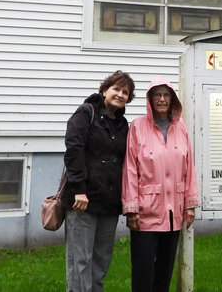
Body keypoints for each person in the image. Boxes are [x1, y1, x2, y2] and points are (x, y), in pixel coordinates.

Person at [122, 76, 198, 292]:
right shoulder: (137, 127)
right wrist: (131, 208)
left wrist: (190, 204)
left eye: (166, 95)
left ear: (172, 99)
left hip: (174, 211)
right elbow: (130, 168)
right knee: (143, 272)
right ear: (150, 99)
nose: (162, 99)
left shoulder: (180, 127)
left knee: (165, 272)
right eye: (157, 95)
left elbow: (189, 166)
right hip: (145, 213)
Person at [63, 70, 135, 292]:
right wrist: (79, 190)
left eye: (125, 92)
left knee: (101, 262)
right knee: (80, 262)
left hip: (109, 204)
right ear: (105, 90)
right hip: (82, 201)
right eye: (116, 89)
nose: (120, 94)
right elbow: (73, 150)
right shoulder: (86, 113)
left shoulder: (124, 125)